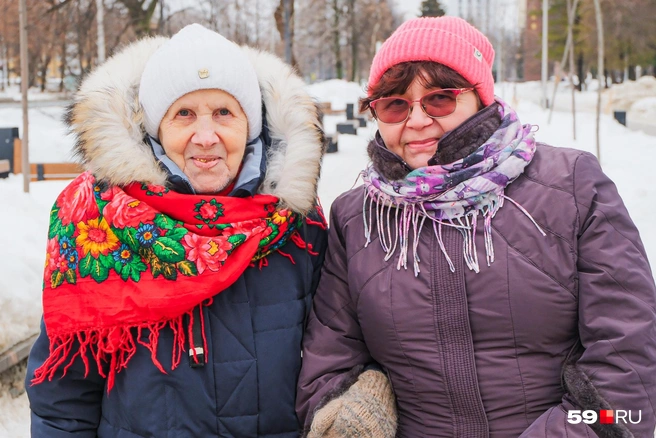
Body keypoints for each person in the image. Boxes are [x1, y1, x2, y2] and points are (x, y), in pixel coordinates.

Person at [296, 16, 656, 438]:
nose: (416, 120)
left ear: (480, 99)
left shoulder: (571, 186)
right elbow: (328, 362)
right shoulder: (357, 218)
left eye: (440, 99)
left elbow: (627, 372)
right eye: (395, 104)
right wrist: (349, 411)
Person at [25, 24, 327, 437]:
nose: (206, 137)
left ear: (250, 124)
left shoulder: (298, 225)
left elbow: (334, 358)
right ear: (156, 129)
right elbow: (63, 402)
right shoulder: (97, 224)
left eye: (224, 112)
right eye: (183, 114)